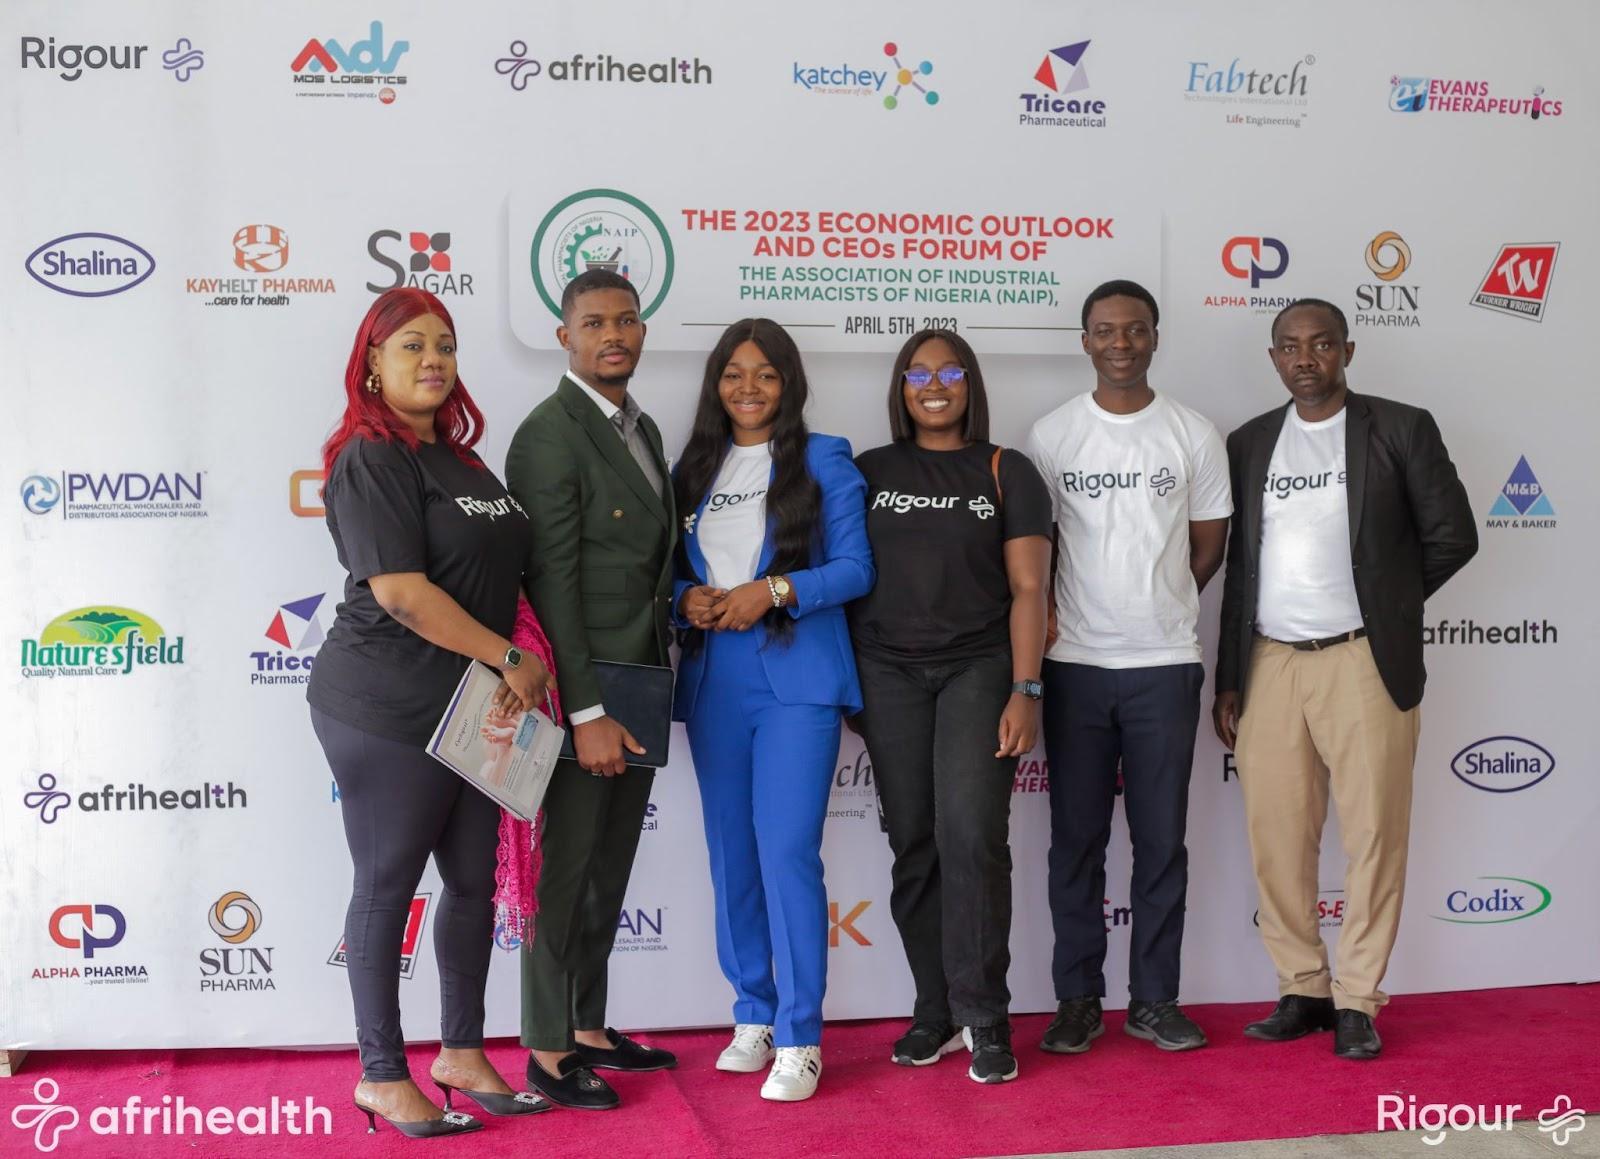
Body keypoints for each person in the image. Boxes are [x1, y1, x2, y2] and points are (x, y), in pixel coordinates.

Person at [307, 287, 555, 1137]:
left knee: (474, 882)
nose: (433, 359)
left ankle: (461, 1051)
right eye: (411, 344)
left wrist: (512, 665)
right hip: (388, 702)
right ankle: (381, 1073)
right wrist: (509, 656)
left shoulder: (463, 461)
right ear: (372, 364)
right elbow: (403, 594)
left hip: (472, 711)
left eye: (444, 344)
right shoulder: (370, 458)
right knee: (388, 884)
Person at [1213, 299, 1476, 1060]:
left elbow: (1453, 535)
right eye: (1291, 346)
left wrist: (1387, 604)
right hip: (1270, 660)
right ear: (1274, 358)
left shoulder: (1400, 428)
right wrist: (1230, 676)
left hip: (1364, 657)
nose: (1306, 358)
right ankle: (1302, 987)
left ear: (1347, 351)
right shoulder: (1250, 441)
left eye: (1322, 344)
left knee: (1374, 835)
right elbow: (1240, 569)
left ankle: (1358, 996)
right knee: (1276, 836)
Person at [1026, 280, 1232, 1056]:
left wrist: (1160, 603)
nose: (1121, 342)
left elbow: (1207, 547)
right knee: (1075, 842)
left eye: (1135, 329)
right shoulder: (1051, 434)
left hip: (1164, 664)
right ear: (1085, 340)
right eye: (1106, 330)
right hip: (1074, 665)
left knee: (1161, 841)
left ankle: (1154, 1000)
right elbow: (1037, 548)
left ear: (1155, 337)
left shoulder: (1192, 433)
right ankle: (1078, 999)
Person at [672, 318, 874, 1102]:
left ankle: (800, 1034)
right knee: (732, 854)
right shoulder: (692, 468)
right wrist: (682, 598)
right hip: (714, 679)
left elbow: (855, 568)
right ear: (715, 383)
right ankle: (752, 1011)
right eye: (733, 372)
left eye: (765, 372)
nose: (748, 387)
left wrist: (776, 589)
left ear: (789, 382)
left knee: (787, 851)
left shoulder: (823, 458)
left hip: (796, 677)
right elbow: (666, 571)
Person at [850, 329, 1051, 1084]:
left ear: (971, 383)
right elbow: (843, 570)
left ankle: (984, 1015)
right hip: (887, 673)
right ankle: (934, 1010)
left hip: (979, 666)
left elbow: (1029, 588)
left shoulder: (1006, 469)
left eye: (950, 372)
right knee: (914, 841)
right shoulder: (869, 471)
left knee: (971, 835)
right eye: (918, 373)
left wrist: (1026, 689)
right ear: (901, 387)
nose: (934, 385)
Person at [504, 269, 679, 1110]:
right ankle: (547, 1046)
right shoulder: (549, 435)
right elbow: (553, 586)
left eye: (627, 319)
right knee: (565, 870)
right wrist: (586, 713)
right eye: (595, 322)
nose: (614, 334)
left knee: (609, 866)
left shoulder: (640, 425)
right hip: (587, 692)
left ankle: (588, 1024)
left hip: (643, 677)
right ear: (565, 335)